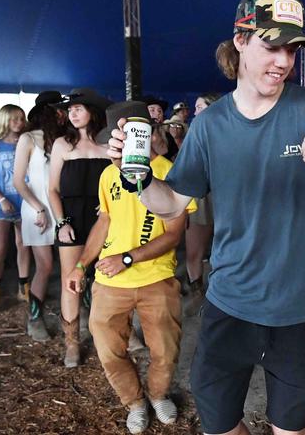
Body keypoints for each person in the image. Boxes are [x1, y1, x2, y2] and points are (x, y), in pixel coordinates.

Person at [108, 0, 305, 435]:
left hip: (299, 307)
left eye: (292, 49)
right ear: (241, 40)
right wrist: (142, 176)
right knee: (219, 423)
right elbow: (171, 202)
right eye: (271, 45)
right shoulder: (209, 126)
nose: (283, 61)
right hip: (231, 303)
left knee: (290, 426)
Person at [66, 101, 196, 434]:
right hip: (109, 281)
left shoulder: (172, 172)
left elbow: (175, 233)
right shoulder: (109, 173)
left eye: (137, 133)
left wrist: (127, 258)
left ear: (152, 134)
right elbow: (104, 222)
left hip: (157, 277)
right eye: (120, 136)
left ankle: (157, 394)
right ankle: (134, 401)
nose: (128, 143)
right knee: (108, 349)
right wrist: (81, 264)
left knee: (165, 350)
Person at [48, 87, 111, 367]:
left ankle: (109, 335)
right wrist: (61, 223)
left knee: (106, 280)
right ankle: (72, 342)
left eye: (79, 108)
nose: (72, 113)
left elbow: (119, 180)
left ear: (92, 112)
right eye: (70, 109)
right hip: (71, 219)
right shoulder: (62, 144)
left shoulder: (108, 145)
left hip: (103, 219)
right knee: (70, 282)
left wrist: (109, 203)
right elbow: (52, 190)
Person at [13, 91, 66, 341]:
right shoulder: (28, 139)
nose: (63, 114)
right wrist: (39, 208)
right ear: (48, 112)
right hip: (37, 209)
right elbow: (18, 182)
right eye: (59, 110)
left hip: (62, 208)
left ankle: (78, 316)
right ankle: (35, 318)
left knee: (72, 264)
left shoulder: (65, 138)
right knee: (45, 265)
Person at [0, 104, 30, 311]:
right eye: (14, 119)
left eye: (21, 118)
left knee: (23, 244)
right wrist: (1, 199)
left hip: (23, 200)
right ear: (4, 120)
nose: (19, 123)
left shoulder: (26, 142)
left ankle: (24, 286)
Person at [184, 93, 221, 315]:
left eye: (200, 107)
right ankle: (196, 292)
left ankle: (222, 295)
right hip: (199, 195)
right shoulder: (192, 134)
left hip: (224, 193)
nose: (195, 112)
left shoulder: (229, 132)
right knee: (194, 250)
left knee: (226, 248)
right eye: (195, 108)